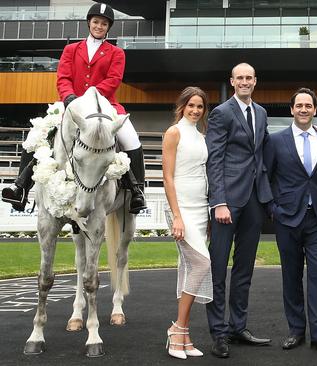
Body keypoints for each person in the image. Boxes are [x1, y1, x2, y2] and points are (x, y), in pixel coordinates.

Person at [1, 2, 147, 214]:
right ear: (89, 23)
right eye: (96, 21)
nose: (99, 26)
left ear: (108, 27)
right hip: (70, 104)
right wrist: (70, 98)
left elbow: (113, 80)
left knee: (131, 139)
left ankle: (136, 191)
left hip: (105, 106)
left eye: (104, 23)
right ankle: (20, 188)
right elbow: (63, 78)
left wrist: (88, 100)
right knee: (36, 134)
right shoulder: (71, 49)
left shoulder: (116, 53)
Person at [205, 63, 273, 358]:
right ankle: (219, 332)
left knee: (244, 269)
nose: (244, 81)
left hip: (255, 201)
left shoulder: (261, 113)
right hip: (228, 202)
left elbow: (263, 151)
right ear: (232, 81)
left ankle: (238, 326)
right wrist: (218, 201)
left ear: (255, 81)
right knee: (218, 269)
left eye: (249, 78)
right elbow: (214, 159)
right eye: (240, 78)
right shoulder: (221, 113)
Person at [264, 88, 317, 355]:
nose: (304, 109)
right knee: (291, 276)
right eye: (299, 105)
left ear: (315, 110)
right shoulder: (276, 140)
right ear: (292, 110)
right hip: (287, 218)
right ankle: (296, 330)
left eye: (309, 105)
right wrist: (273, 208)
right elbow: (267, 176)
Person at [162, 87, 212, 359]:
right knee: (202, 264)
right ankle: (177, 328)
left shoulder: (202, 136)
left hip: (200, 207)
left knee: (188, 268)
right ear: (182, 106)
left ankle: (185, 334)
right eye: (191, 105)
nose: (195, 110)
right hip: (181, 209)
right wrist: (177, 216)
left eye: (200, 107)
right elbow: (167, 177)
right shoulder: (174, 133)